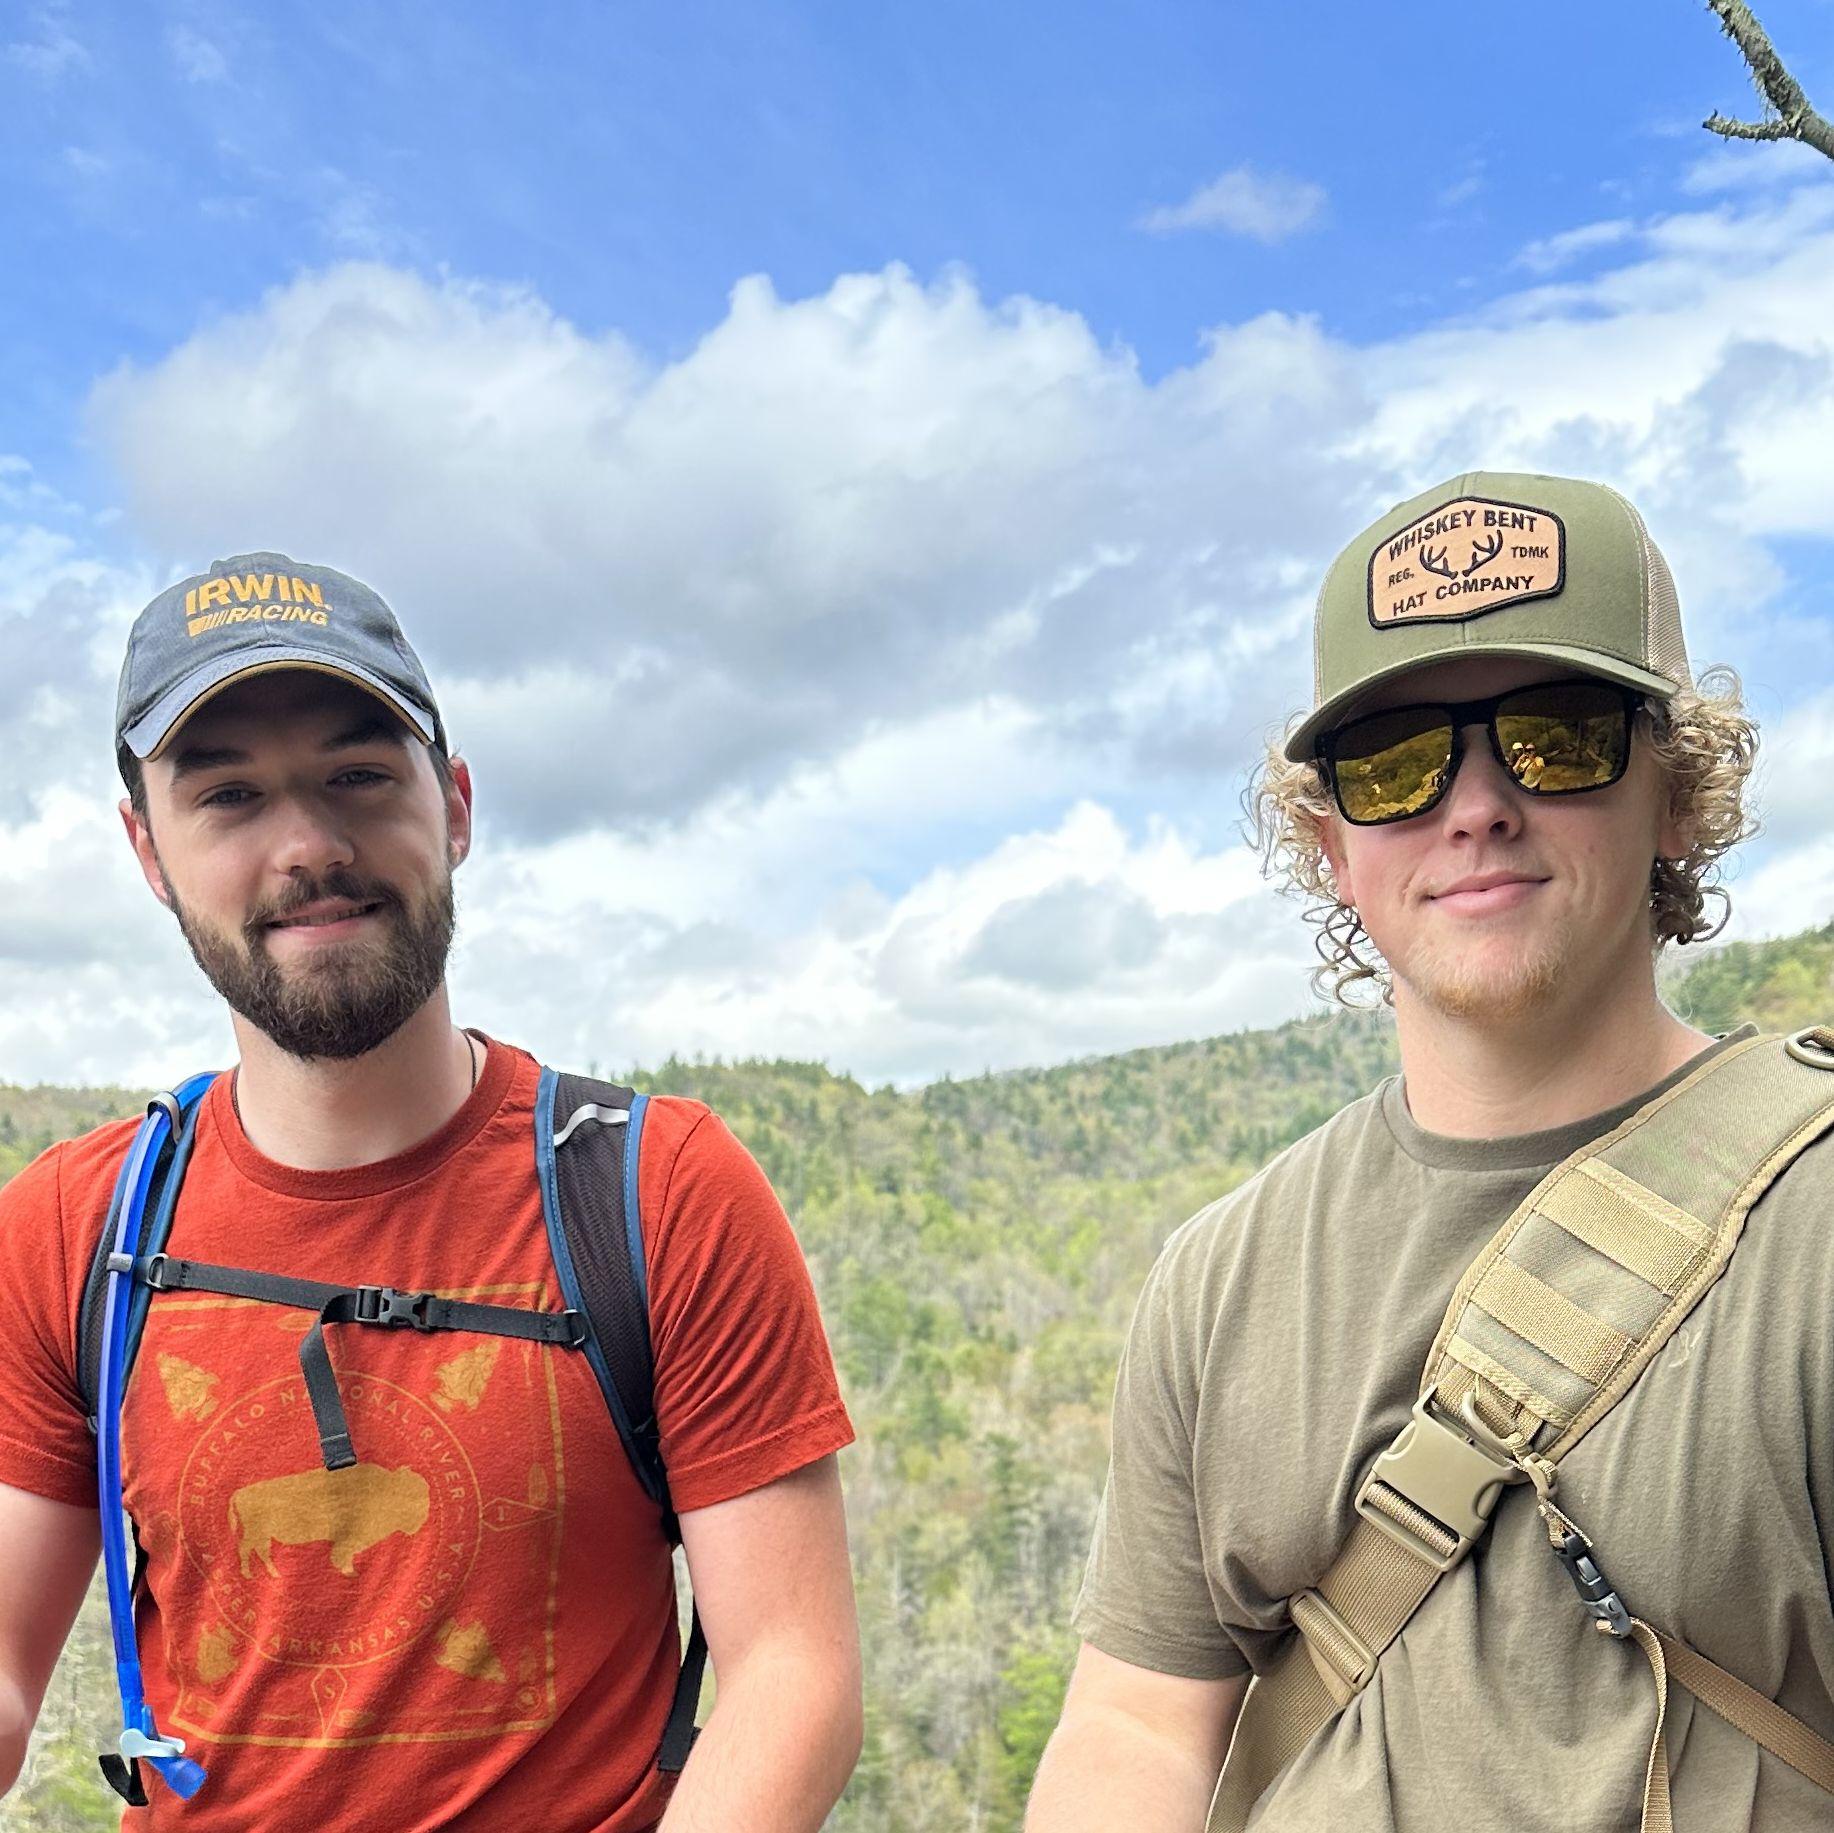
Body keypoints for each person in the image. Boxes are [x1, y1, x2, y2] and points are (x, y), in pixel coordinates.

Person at [0, 554, 862, 1831]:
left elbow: (792, 1674)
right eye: (228, 796)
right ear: (150, 854)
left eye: (358, 775)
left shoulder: (655, 1193)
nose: (308, 847)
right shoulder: (76, 1228)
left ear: (453, 806)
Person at [1027, 471, 1834, 1829]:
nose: (1476, 806)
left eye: (1558, 737)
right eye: (1395, 763)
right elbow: (1136, 1727)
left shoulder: (1813, 1222)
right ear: (1329, 846)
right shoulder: (1218, 1280)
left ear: (1678, 796)